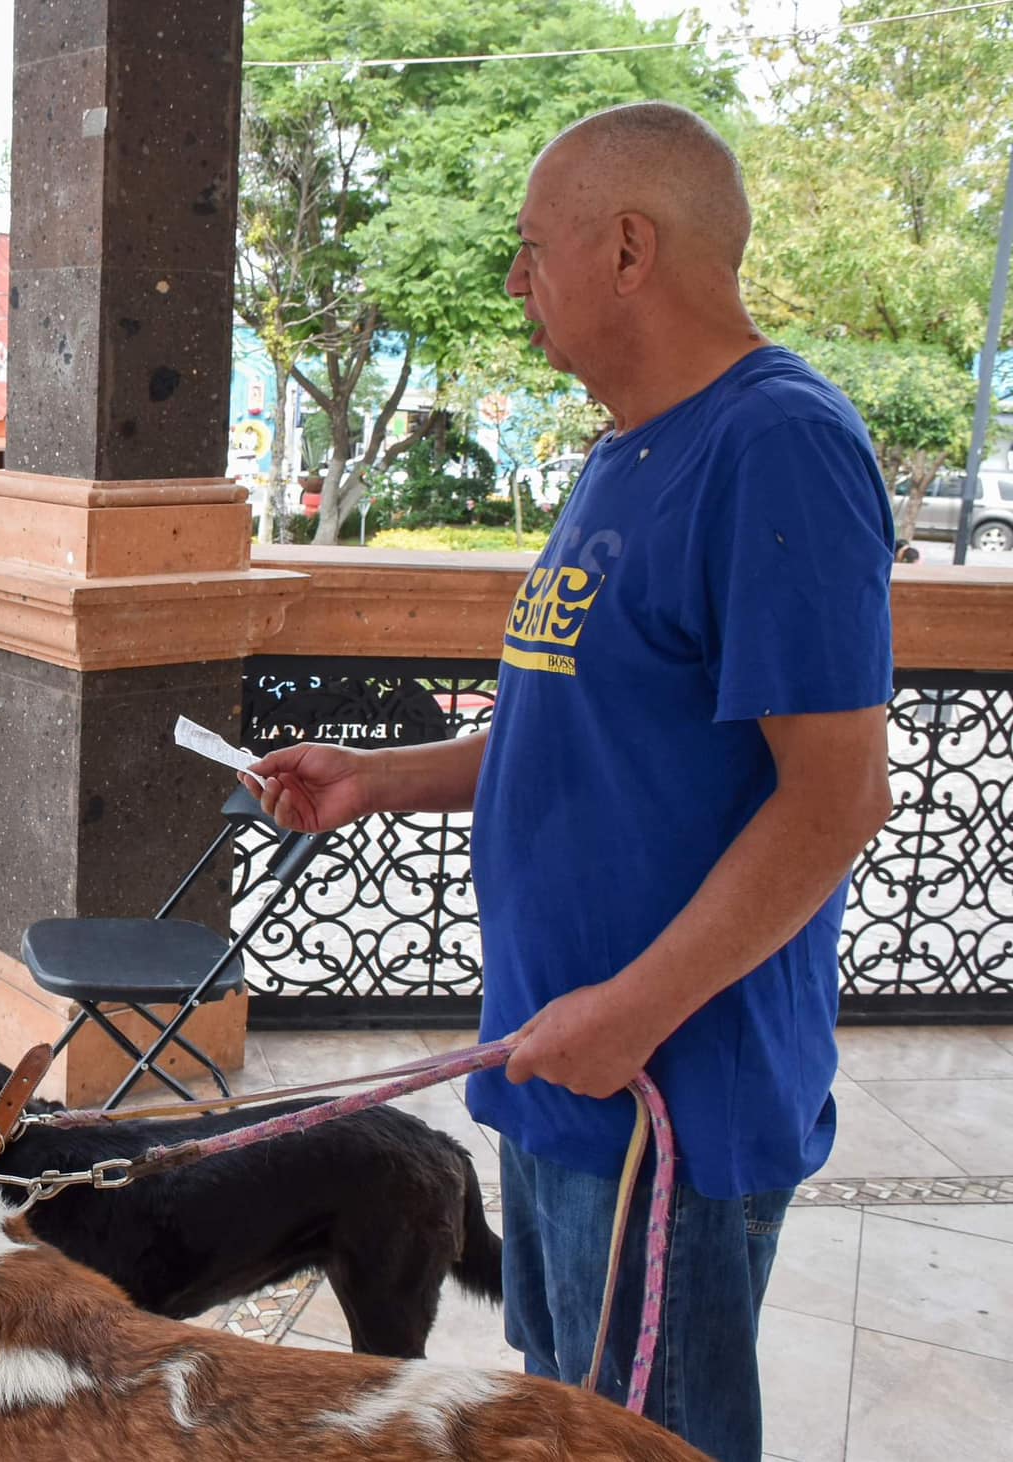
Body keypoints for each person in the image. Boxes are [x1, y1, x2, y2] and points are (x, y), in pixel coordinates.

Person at [249, 103, 894, 1462]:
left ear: (628, 250)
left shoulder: (774, 444)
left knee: (646, 1439)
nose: (515, 284)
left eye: (532, 249)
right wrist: (380, 779)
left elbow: (836, 800)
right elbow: (584, 731)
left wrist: (630, 1014)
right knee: (567, 1417)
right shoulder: (624, 447)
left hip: (669, 1093)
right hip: (563, 1065)